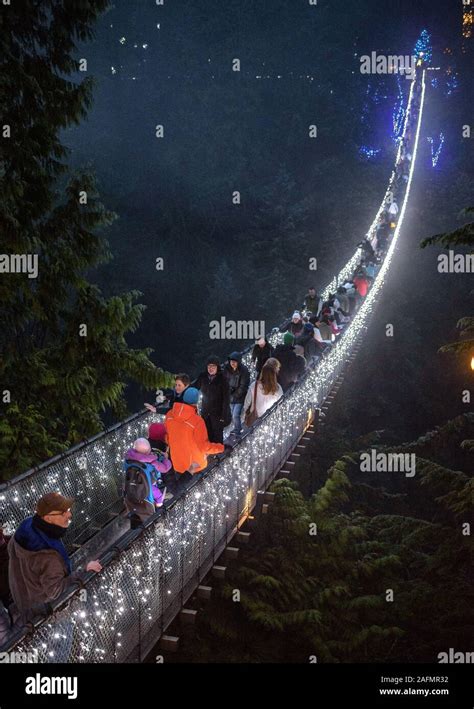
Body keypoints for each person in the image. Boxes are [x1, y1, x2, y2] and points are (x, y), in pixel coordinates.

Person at [8, 493, 102, 624]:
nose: (69, 515)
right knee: (64, 639)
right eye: (63, 512)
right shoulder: (49, 556)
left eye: (68, 510)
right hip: (50, 614)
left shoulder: (24, 528)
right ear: (48, 518)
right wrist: (84, 571)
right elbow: (55, 592)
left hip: (25, 601)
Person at [165, 387, 224, 481]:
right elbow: (204, 447)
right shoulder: (197, 421)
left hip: (176, 463)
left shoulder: (169, 415)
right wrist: (221, 448)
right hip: (194, 466)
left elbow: (167, 438)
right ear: (196, 401)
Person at [193, 356, 231, 444]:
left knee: (217, 436)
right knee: (207, 435)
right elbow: (194, 387)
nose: (211, 368)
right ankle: (209, 455)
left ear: (217, 367)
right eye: (209, 366)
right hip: (206, 413)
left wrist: (223, 416)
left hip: (218, 413)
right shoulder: (203, 377)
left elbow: (226, 399)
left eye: (213, 366)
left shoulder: (223, 379)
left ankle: (218, 455)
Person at [124, 437, 171, 508]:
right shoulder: (151, 462)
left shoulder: (128, 459)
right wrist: (166, 458)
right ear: (148, 451)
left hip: (132, 482)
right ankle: (159, 506)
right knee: (159, 496)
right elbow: (165, 468)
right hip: (148, 485)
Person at [241, 359, 283, 426]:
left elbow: (246, 403)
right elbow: (280, 406)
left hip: (255, 420)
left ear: (262, 372)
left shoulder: (254, 385)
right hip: (271, 421)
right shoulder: (278, 388)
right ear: (274, 374)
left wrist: (243, 418)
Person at [223, 351, 250, 439]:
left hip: (239, 397)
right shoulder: (227, 370)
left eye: (234, 362)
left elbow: (243, 386)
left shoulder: (244, 371)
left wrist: (235, 395)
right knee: (232, 414)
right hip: (230, 397)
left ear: (238, 362)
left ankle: (238, 431)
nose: (232, 364)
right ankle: (237, 428)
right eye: (231, 362)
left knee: (235, 414)